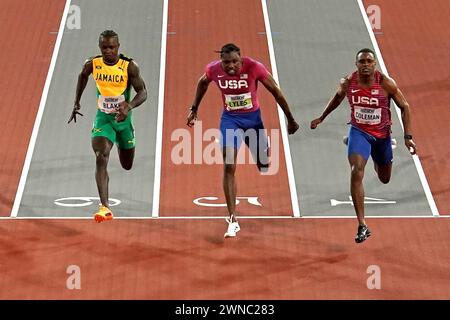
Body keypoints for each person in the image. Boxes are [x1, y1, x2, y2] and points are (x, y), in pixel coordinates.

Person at [187, 43, 299, 238]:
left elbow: (276, 91)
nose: (231, 66)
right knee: (229, 165)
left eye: (235, 62)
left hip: (253, 120)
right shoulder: (213, 69)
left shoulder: (254, 67)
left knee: (263, 164)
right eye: (226, 62)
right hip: (230, 120)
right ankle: (232, 218)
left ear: (241, 59)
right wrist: (194, 108)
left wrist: (290, 119)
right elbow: (202, 83)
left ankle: (262, 149)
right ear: (221, 61)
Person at [310, 48, 417, 243]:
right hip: (360, 131)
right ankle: (362, 225)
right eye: (362, 62)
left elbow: (405, 107)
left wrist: (407, 136)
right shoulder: (348, 82)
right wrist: (321, 118)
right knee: (356, 171)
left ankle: (381, 152)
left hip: (382, 135)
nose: (365, 64)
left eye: (369, 61)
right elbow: (337, 99)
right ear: (356, 64)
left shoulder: (385, 83)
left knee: (384, 178)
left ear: (374, 64)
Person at [68, 30, 147, 223]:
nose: (108, 51)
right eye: (104, 47)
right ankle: (104, 207)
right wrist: (76, 102)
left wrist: (129, 106)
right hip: (103, 119)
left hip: (124, 122)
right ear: (100, 47)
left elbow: (143, 92)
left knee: (127, 165)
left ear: (118, 47)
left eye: (112, 47)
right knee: (101, 156)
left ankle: (121, 142)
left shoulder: (129, 66)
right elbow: (82, 76)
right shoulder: (93, 64)